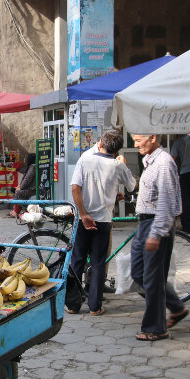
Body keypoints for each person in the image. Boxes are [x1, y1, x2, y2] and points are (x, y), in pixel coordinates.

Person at [69, 132, 136, 316]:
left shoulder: (85, 159)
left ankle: (73, 305)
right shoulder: (117, 165)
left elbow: (76, 188)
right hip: (103, 221)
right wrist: (124, 164)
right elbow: (132, 185)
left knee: (78, 260)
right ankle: (95, 306)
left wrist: (83, 214)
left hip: (84, 219)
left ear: (100, 144)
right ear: (117, 150)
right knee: (98, 262)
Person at [130, 134, 188, 341]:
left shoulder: (164, 163)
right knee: (138, 272)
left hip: (156, 223)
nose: (135, 145)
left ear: (153, 138)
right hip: (145, 222)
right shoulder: (151, 162)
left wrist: (156, 233)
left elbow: (166, 202)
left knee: (153, 278)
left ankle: (155, 327)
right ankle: (175, 306)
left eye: (138, 140)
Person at [10, 153, 37, 217]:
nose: (24, 160)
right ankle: (16, 210)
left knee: (18, 192)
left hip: (32, 189)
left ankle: (17, 212)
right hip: (29, 188)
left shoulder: (33, 168)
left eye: (25, 158)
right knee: (15, 190)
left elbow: (27, 180)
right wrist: (19, 186)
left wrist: (21, 187)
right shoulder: (30, 167)